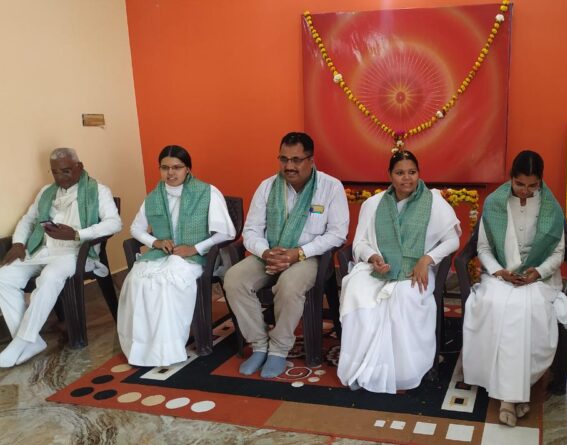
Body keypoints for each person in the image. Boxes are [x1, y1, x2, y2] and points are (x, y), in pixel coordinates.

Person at [462, 150, 567, 427]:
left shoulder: (551, 207)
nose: (525, 191)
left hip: (538, 278)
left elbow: (558, 253)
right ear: (511, 178)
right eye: (519, 184)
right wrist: (499, 271)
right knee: (496, 305)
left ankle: (509, 397)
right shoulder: (494, 203)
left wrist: (537, 272)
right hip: (500, 275)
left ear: (541, 181)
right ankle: (517, 393)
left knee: (529, 309)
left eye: (532, 185)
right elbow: (483, 248)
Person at [224, 132, 348, 378]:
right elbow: (251, 230)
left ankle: (279, 349)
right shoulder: (267, 186)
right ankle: (259, 344)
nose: (289, 166)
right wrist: (266, 252)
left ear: (311, 160)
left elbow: (337, 234)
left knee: (289, 285)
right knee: (234, 279)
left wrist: (299, 253)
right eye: (284, 159)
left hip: (308, 257)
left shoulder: (330, 187)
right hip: (269, 254)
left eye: (296, 160)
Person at [337, 150, 461, 394]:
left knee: (403, 297)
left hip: (416, 270)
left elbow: (452, 240)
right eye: (400, 173)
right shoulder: (374, 204)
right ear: (390, 175)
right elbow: (360, 243)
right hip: (379, 269)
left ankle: (402, 371)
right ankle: (362, 368)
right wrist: (373, 258)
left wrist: (426, 259)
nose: (407, 178)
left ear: (419, 173)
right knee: (357, 291)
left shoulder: (434, 202)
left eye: (412, 172)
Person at [0, 148, 122, 367]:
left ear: (79, 167)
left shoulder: (98, 190)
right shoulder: (46, 192)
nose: (60, 177)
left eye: (66, 171)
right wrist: (18, 243)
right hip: (41, 250)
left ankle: (21, 342)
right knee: (3, 277)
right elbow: (28, 219)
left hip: (74, 253)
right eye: (55, 172)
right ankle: (32, 341)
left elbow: (114, 223)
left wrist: (77, 234)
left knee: (49, 276)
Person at [117, 145, 234, 367]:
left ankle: (166, 349)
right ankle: (142, 348)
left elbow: (226, 233)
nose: (170, 173)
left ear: (188, 169)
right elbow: (135, 228)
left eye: (177, 167)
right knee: (137, 279)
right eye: (165, 168)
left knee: (166, 280)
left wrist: (195, 248)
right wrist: (156, 242)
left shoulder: (207, 192)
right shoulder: (154, 197)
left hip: (196, 257)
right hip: (161, 255)